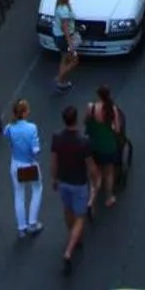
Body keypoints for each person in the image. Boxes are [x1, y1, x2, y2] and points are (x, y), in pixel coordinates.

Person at [51, 106, 94, 274]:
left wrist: (54, 179)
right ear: (76, 119)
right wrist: (95, 178)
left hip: (63, 181)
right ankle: (69, 250)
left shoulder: (56, 138)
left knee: (67, 210)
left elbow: (54, 161)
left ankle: (74, 236)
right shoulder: (83, 141)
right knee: (80, 216)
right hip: (79, 183)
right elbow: (90, 165)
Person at [4, 99, 43, 238]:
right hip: (29, 164)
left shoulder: (9, 128)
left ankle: (21, 227)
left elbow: (7, 136)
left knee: (19, 195)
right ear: (24, 113)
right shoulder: (32, 128)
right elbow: (35, 150)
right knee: (37, 189)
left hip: (16, 164)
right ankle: (32, 222)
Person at [85, 86, 125, 210]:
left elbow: (87, 123)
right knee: (109, 172)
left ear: (98, 95)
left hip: (94, 146)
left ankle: (91, 199)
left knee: (96, 172)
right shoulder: (112, 109)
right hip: (108, 147)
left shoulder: (91, 107)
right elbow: (117, 129)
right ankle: (109, 197)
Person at [53, 0, 81, 90]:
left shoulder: (64, 5)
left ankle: (61, 81)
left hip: (59, 38)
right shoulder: (64, 10)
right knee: (74, 60)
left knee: (64, 59)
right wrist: (70, 44)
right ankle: (59, 78)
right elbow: (65, 28)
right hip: (63, 39)